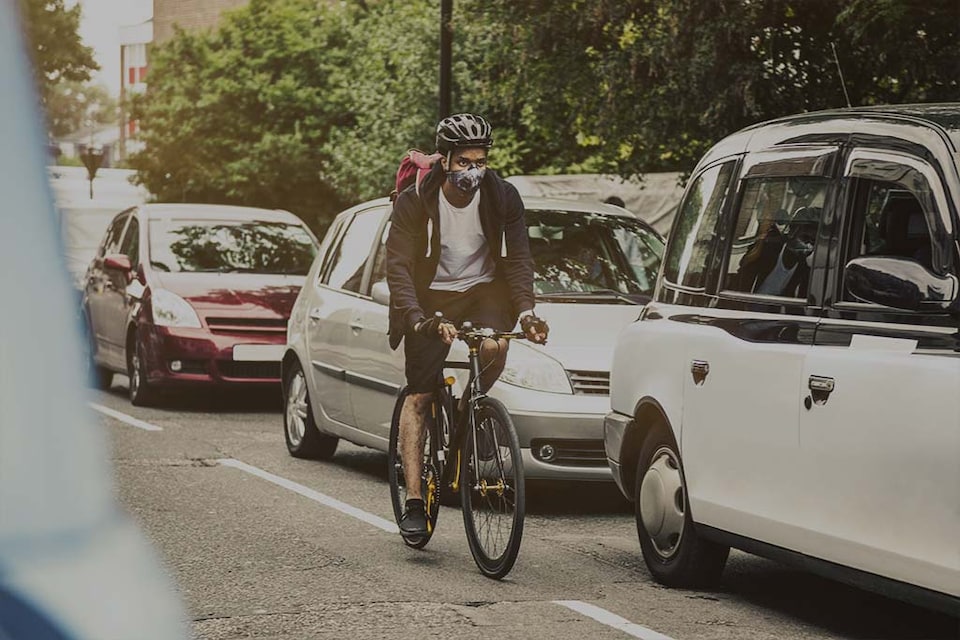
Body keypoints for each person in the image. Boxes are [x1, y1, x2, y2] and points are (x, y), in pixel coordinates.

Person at [385, 113, 549, 538]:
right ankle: (416, 500)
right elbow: (398, 267)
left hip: (482, 290)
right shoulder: (414, 202)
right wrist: (416, 319)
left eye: (480, 161)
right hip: (428, 294)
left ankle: (470, 410)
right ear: (445, 160)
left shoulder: (503, 197)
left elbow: (517, 259)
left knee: (496, 345)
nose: (472, 171)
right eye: (464, 162)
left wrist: (527, 310)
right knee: (419, 396)